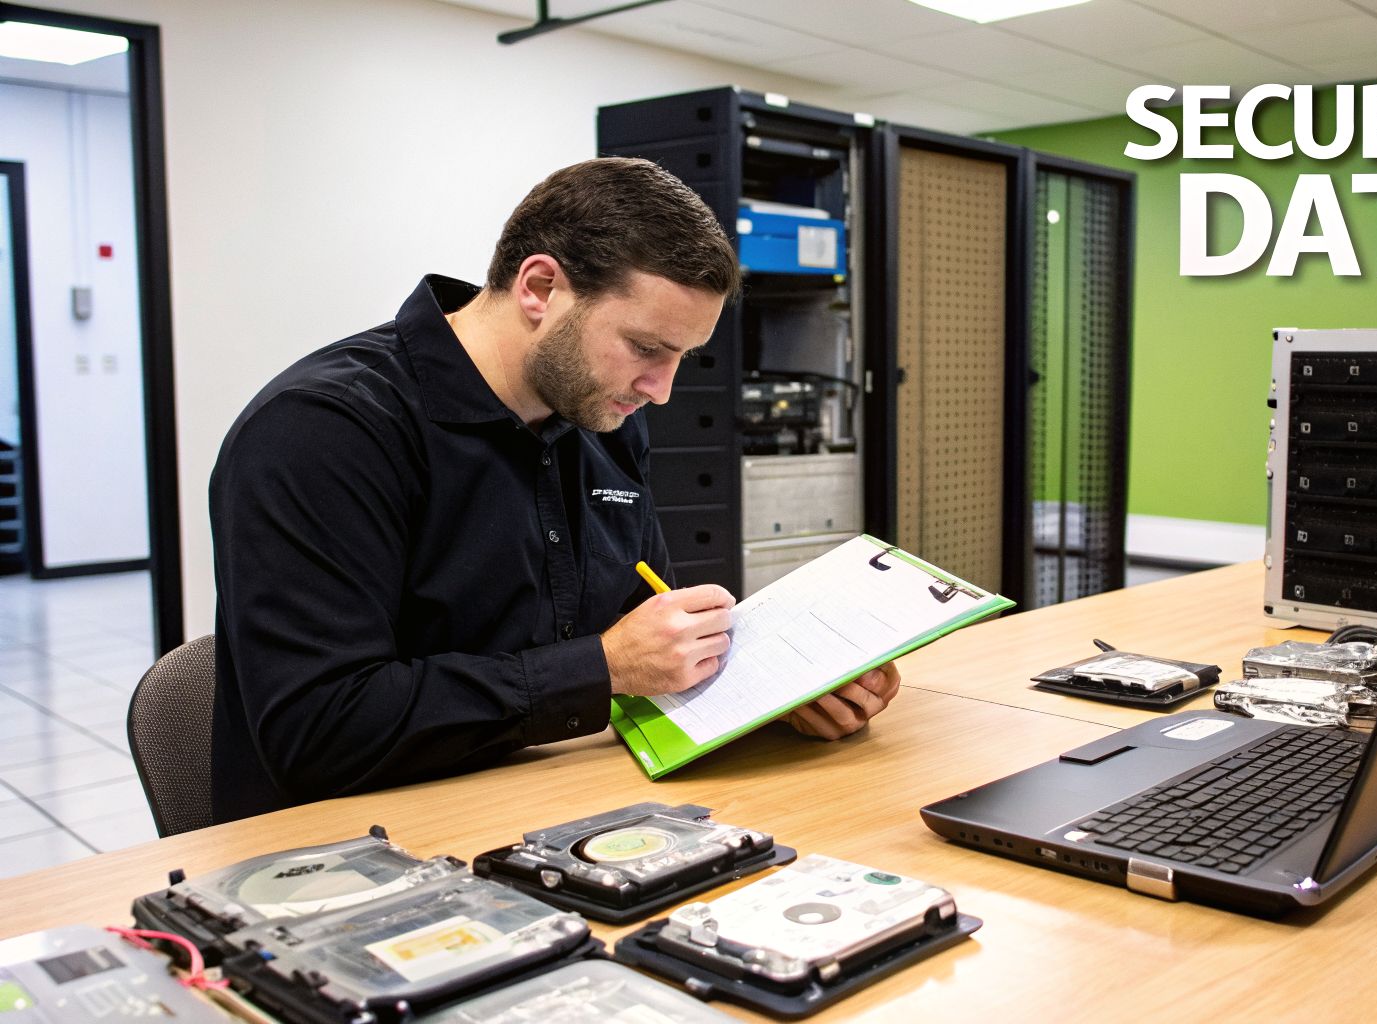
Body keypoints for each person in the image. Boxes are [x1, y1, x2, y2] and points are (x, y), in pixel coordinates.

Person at [208, 158, 899, 823]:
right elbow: (318, 730)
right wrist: (602, 668)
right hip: (346, 848)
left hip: (547, 803)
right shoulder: (324, 431)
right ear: (539, 288)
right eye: (646, 348)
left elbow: (642, 629)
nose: (661, 390)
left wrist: (767, 686)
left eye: (681, 358)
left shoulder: (600, 417)